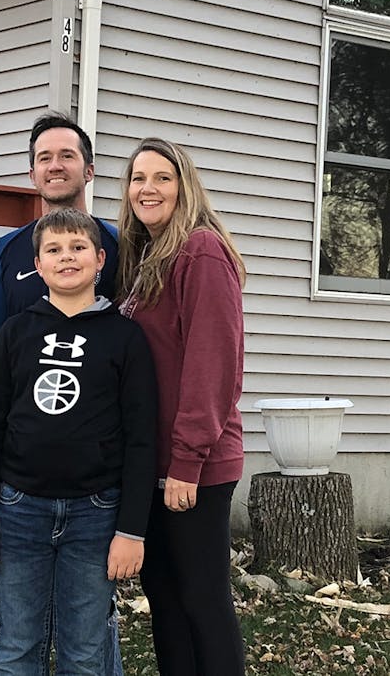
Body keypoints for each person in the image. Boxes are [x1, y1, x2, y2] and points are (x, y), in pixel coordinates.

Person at [0, 208, 158, 676]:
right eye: (53, 249)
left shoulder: (126, 338)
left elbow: (141, 440)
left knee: (85, 652)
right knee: (16, 649)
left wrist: (131, 531)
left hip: (96, 514)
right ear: (38, 265)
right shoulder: (15, 333)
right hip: (19, 508)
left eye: (77, 248)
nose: (66, 257)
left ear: (99, 259)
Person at [116, 137, 248, 676]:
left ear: (184, 186)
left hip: (196, 465)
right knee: (165, 598)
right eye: (138, 178)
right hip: (155, 462)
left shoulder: (201, 250)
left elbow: (212, 365)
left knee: (201, 599)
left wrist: (186, 461)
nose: (148, 188)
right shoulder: (146, 255)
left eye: (162, 178)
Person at [0, 113, 120, 378]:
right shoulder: (7, 249)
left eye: (67, 155)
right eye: (45, 158)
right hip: (25, 409)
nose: (55, 166)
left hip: (101, 407)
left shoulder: (118, 245)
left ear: (89, 170)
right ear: (33, 175)